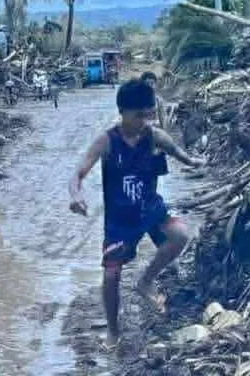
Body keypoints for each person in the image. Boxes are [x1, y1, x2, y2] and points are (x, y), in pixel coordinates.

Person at [68, 78, 199, 347]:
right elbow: (78, 173)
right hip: (120, 221)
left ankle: (146, 280)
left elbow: (179, 154)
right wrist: (76, 196)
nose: (144, 121)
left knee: (180, 234)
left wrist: (196, 162)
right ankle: (114, 331)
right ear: (122, 112)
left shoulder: (155, 136)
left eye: (148, 115)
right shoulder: (107, 141)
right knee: (111, 275)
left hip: (151, 210)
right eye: (138, 115)